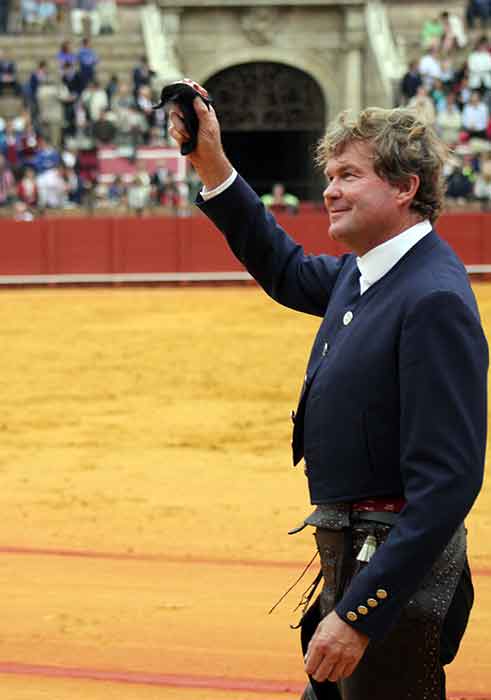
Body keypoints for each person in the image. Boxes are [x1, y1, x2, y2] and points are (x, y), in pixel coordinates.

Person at [168, 84, 489, 700]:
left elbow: (448, 484)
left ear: (404, 188)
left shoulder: (434, 300)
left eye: (348, 175)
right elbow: (284, 268)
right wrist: (212, 164)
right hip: (356, 555)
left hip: (393, 577)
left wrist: (359, 614)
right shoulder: (368, 272)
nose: (329, 190)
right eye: (329, 174)